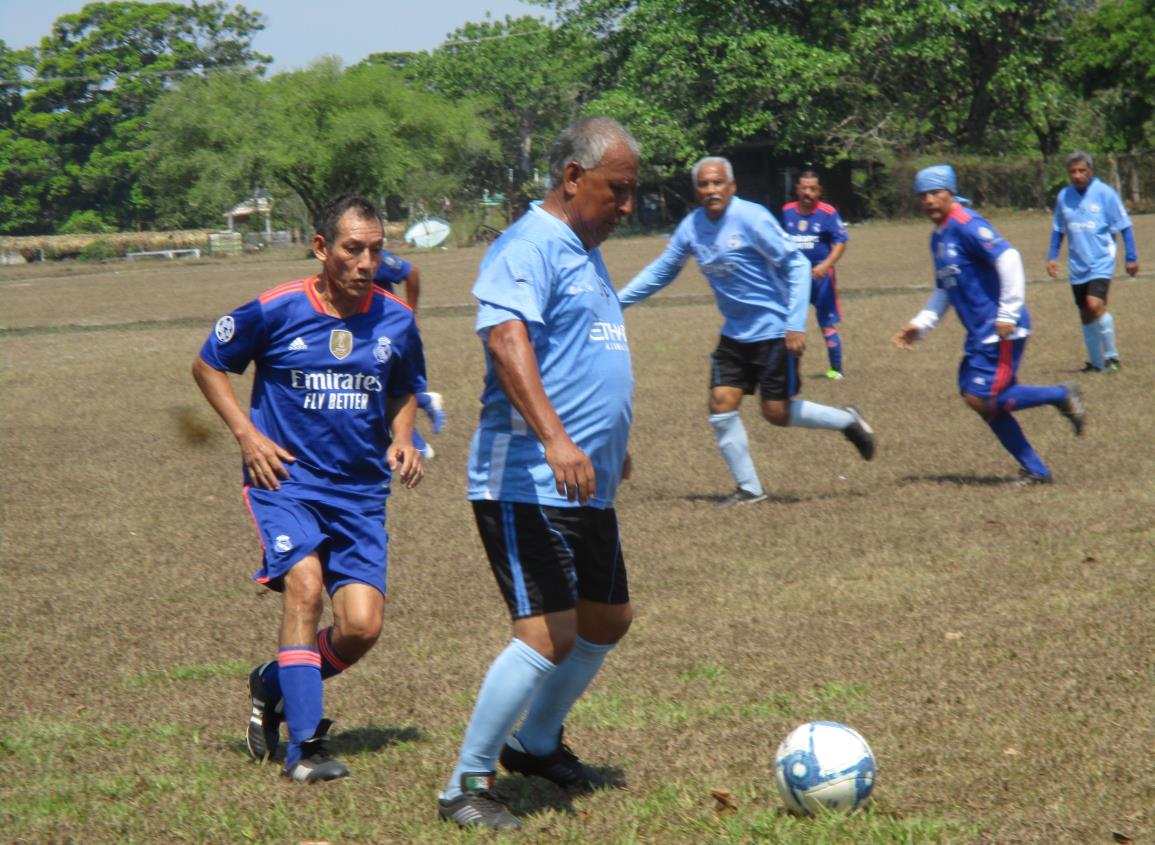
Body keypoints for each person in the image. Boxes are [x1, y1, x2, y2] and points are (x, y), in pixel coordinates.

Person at [438, 117, 639, 830]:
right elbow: (505, 337)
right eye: (617, 190)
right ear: (573, 178)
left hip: (588, 478)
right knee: (545, 633)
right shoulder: (527, 243)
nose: (626, 205)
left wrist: (609, 442)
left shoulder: (583, 248)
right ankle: (464, 782)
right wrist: (556, 439)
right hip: (524, 477)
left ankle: (537, 742)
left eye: (632, 191)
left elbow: (585, 354)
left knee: (606, 618)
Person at [192, 193, 427, 783]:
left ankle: (273, 682)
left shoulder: (396, 320)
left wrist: (403, 437)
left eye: (375, 250)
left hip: (361, 492)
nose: (366, 262)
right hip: (286, 481)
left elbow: (403, 389)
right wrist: (246, 435)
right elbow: (207, 363)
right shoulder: (275, 310)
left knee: (361, 628)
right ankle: (306, 747)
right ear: (322, 248)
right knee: (305, 584)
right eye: (353, 249)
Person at [616, 156, 875, 508]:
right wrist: (616, 302)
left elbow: (797, 264)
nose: (711, 190)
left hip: (773, 332)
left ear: (732, 186)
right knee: (721, 404)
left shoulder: (752, 218)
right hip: (735, 334)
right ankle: (750, 489)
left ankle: (847, 420)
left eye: (717, 183)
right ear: (696, 191)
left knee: (776, 413)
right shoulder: (692, 227)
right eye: (704, 185)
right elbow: (662, 270)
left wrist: (794, 324)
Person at [892, 165, 1086, 484]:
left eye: (935, 193)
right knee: (980, 400)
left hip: (1001, 329)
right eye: (922, 195)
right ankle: (1037, 470)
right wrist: (921, 325)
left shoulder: (967, 224)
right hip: (981, 332)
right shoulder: (938, 238)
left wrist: (1008, 313)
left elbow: (1009, 258)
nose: (928, 200)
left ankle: (1061, 396)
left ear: (950, 193)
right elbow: (945, 289)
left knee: (982, 397)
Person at [1046, 151, 1140, 373]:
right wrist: (1052, 256)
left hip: (1101, 261)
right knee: (1085, 313)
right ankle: (1096, 363)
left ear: (1090, 171)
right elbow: (1058, 229)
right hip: (1078, 264)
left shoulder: (1105, 193)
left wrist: (1131, 257)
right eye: (1073, 172)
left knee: (1094, 305)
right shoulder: (1064, 196)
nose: (1077, 175)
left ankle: (1112, 357)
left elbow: (1124, 226)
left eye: (1082, 171)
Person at [373, 251, 446, 456]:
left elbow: (411, 271)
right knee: (374, 389)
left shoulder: (374, 256)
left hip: (386, 331)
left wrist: (410, 313)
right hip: (363, 331)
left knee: (379, 390)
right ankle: (425, 402)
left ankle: (417, 446)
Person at [781, 169, 849, 379]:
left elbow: (840, 242)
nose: (807, 192)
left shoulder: (828, 213)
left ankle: (836, 370)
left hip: (821, 278)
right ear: (797, 189)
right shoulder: (787, 211)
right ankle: (790, 370)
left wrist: (826, 265)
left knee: (826, 323)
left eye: (812, 188)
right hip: (794, 279)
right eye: (804, 188)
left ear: (819, 191)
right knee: (790, 324)